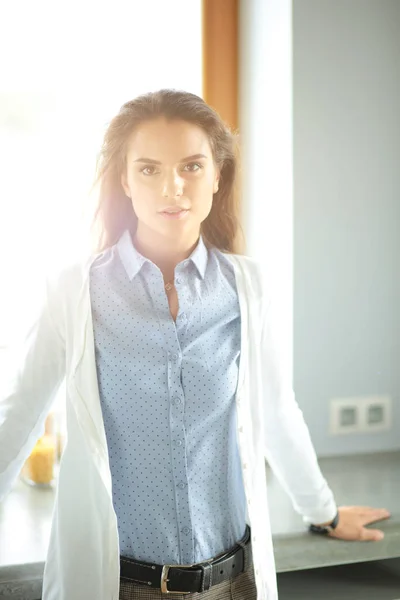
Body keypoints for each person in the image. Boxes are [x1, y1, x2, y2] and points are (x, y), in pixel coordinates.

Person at [0, 89, 391, 600]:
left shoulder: (248, 287)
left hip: (234, 582)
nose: (172, 188)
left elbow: (276, 411)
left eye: (190, 166)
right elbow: (21, 416)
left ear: (216, 175)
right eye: (148, 169)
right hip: (116, 583)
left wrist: (324, 511)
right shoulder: (76, 291)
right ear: (125, 179)